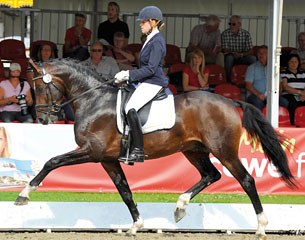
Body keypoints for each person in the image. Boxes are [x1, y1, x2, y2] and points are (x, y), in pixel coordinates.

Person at [114, 6, 168, 164]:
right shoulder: (150, 39)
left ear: (153, 22)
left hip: (153, 82)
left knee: (130, 108)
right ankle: (127, 145)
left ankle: (138, 150)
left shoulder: (157, 41)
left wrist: (129, 75)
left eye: (144, 21)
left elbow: (151, 68)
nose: (141, 24)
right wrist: (128, 77)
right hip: (144, 81)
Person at [221, 15, 256, 82]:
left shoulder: (246, 34)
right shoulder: (225, 34)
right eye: (230, 24)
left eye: (233, 24)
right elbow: (224, 49)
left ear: (239, 25)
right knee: (229, 58)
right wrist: (234, 53)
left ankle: (252, 80)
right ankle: (228, 81)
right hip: (231, 56)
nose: (231, 26)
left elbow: (251, 50)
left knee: (253, 59)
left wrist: (241, 54)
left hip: (243, 56)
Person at [280, 53, 305, 125]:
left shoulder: (303, 74)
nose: (293, 64)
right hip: (289, 94)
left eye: (295, 62)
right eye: (291, 62)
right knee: (293, 101)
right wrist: (300, 92)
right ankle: (292, 123)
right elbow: (285, 86)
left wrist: (304, 94)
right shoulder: (284, 73)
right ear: (288, 63)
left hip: (302, 94)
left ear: (298, 63)